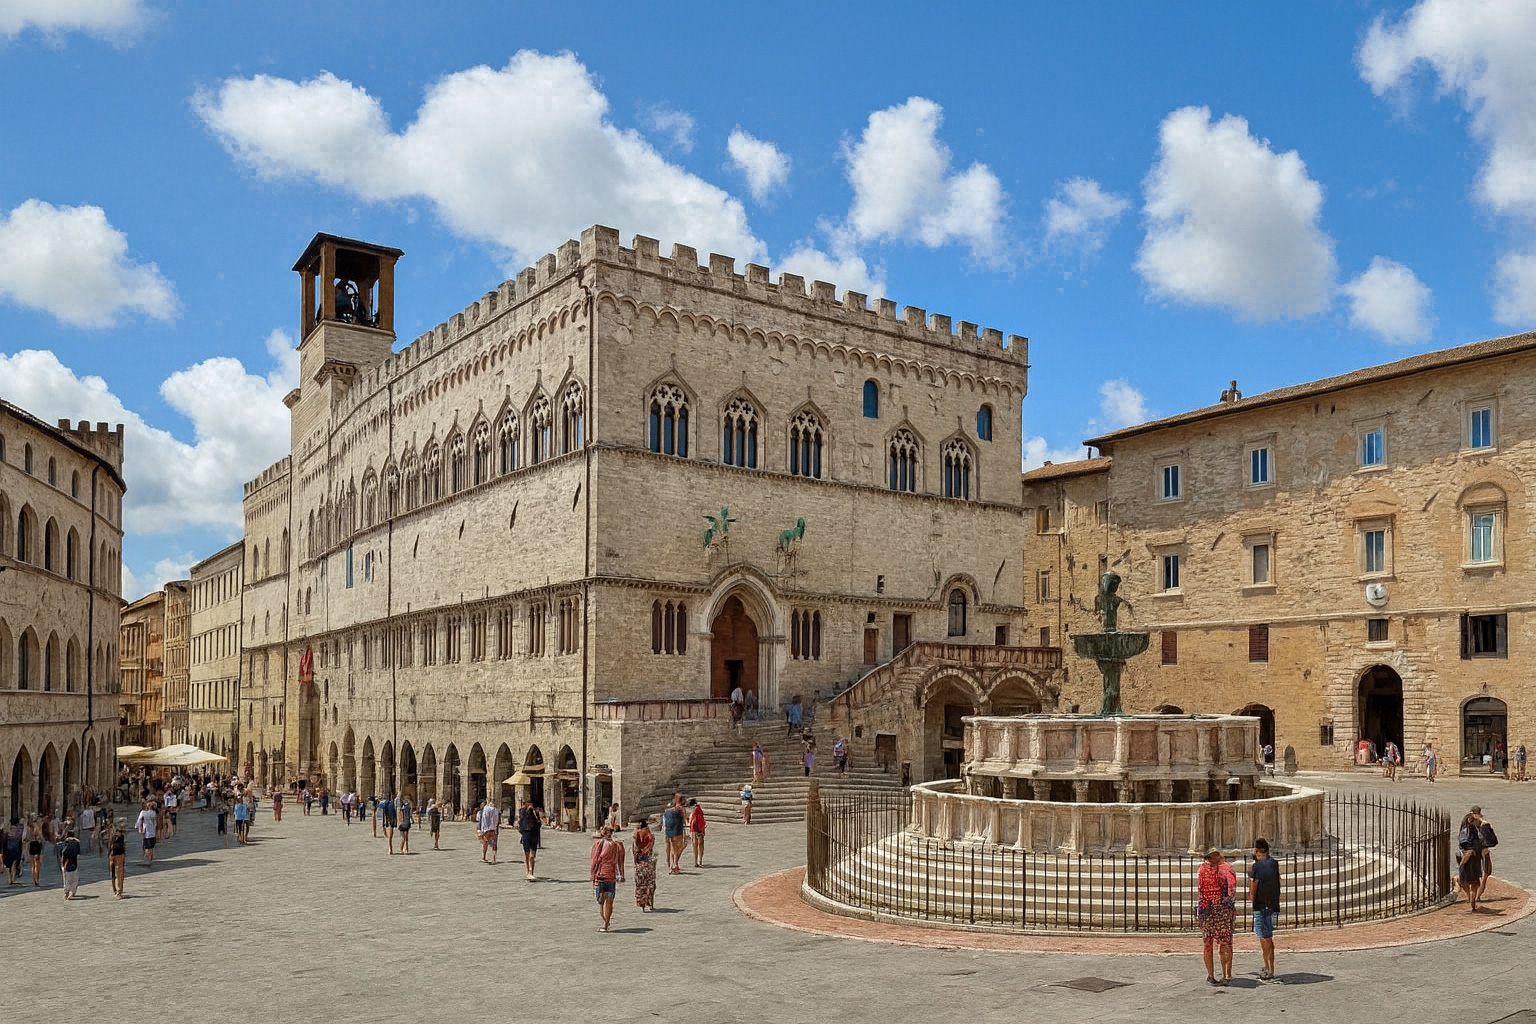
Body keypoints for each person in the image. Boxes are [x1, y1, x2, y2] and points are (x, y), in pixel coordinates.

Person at [1196, 848, 1237, 986]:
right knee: (1226, 942)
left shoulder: (1201, 869)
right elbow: (1231, 890)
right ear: (1216, 858)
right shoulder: (1225, 869)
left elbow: (1200, 889)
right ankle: (1226, 975)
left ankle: (1210, 975)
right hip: (1222, 910)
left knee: (1207, 943)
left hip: (1206, 910)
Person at [1248, 838, 1280, 981]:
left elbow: (1253, 885)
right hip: (1272, 905)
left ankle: (1269, 970)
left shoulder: (1256, 867)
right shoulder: (1274, 863)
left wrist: (1252, 898)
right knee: (1268, 937)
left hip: (1260, 905)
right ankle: (1268, 966)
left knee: (1264, 939)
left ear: (1256, 851)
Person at [589, 826, 626, 932]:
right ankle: (606, 923)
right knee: (606, 902)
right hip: (609, 876)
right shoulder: (617, 845)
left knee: (603, 902)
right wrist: (621, 875)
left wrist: (592, 875)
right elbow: (620, 861)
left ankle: (606, 923)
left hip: (602, 876)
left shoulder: (600, 844)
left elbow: (594, 860)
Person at [1457, 811, 1485, 911]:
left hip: (1469, 862)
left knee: (1463, 880)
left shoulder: (1465, 832)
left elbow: (1467, 850)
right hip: (1476, 862)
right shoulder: (1477, 834)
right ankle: (1472, 902)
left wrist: (1462, 862)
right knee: (1473, 884)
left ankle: (1470, 898)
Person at [1472, 805, 1498, 901]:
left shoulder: (1473, 823)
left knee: (1482, 874)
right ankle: (1477, 895)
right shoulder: (1484, 824)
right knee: (1484, 874)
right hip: (1482, 851)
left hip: (1477, 851)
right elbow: (1492, 839)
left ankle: (1476, 895)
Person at [632, 817, 656, 911]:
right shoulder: (650, 835)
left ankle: (640, 902)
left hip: (639, 863)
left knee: (640, 883)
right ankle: (651, 904)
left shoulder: (637, 835)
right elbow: (650, 847)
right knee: (650, 883)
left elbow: (635, 849)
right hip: (648, 862)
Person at [517, 798, 541, 880]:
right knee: (527, 854)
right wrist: (528, 811)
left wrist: (536, 814)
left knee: (532, 855)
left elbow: (539, 823)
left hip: (534, 834)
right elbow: (522, 821)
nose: (530, 804)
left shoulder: (534, 812)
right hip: (526, 833)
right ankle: (528, 871)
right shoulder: (522, 811)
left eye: (531, 803)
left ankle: (531, 872)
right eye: (528, 803)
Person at [662, 794, 686, 874]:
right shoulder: (680, 809)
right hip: (676, 830)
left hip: (668, 830)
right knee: (677, 847)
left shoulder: (668, 810)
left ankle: (671, 865)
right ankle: (674, 865)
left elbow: (664, 820)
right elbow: (684, 819)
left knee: (672, 847)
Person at [58, 830, 81, 900]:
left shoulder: (65, 843)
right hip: (74, 863)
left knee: (67, 879)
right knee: (74, 879)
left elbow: (61, 852)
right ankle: (71, 893)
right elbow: (78, 852)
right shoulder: (76, 843)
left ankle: (67, 893)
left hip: (66, 864)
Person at [134, 801, 158, 867]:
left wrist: (138, 828)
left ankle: (148, 858)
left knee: (147, 846)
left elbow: (139, 821)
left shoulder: (143, 813)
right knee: (150, 846)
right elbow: (155, 823)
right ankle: (149, 858)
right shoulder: (153, 813)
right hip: (150, 832)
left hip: (146, 831)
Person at [477, 799, 500, 864]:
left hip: (486, 829)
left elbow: (482, 820)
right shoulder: (496, 810)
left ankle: (484, 857)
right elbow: (497, 821)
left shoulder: (485, 810)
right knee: (494, 844)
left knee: (485, 843)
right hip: (494, 829)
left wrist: (481, 830)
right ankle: (494, 859)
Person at [106, 823, 127, 898]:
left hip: (119, 855)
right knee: (112, 873)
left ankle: (119, 891)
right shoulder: (111, 837)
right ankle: (115, 890)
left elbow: (121, 842)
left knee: (119, 873)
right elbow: (109, 845)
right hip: (112, 855)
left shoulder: (120, 836)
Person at [26, 816, 44, 886]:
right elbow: (39, 838)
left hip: (31, 844)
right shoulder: (38, 828)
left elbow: (26, 838)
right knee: (37, 865)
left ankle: (34, 880)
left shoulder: (28, 829)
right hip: (36, 844)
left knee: (33, 865)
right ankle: (37, 880)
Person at [688, 799, 706, 867]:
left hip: (695, 829)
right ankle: (699, 861)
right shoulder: (698, 810)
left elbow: (693, 821)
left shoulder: (696, 810)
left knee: (695, 845)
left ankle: (697, 861)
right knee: (699, 845)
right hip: (698, 829)